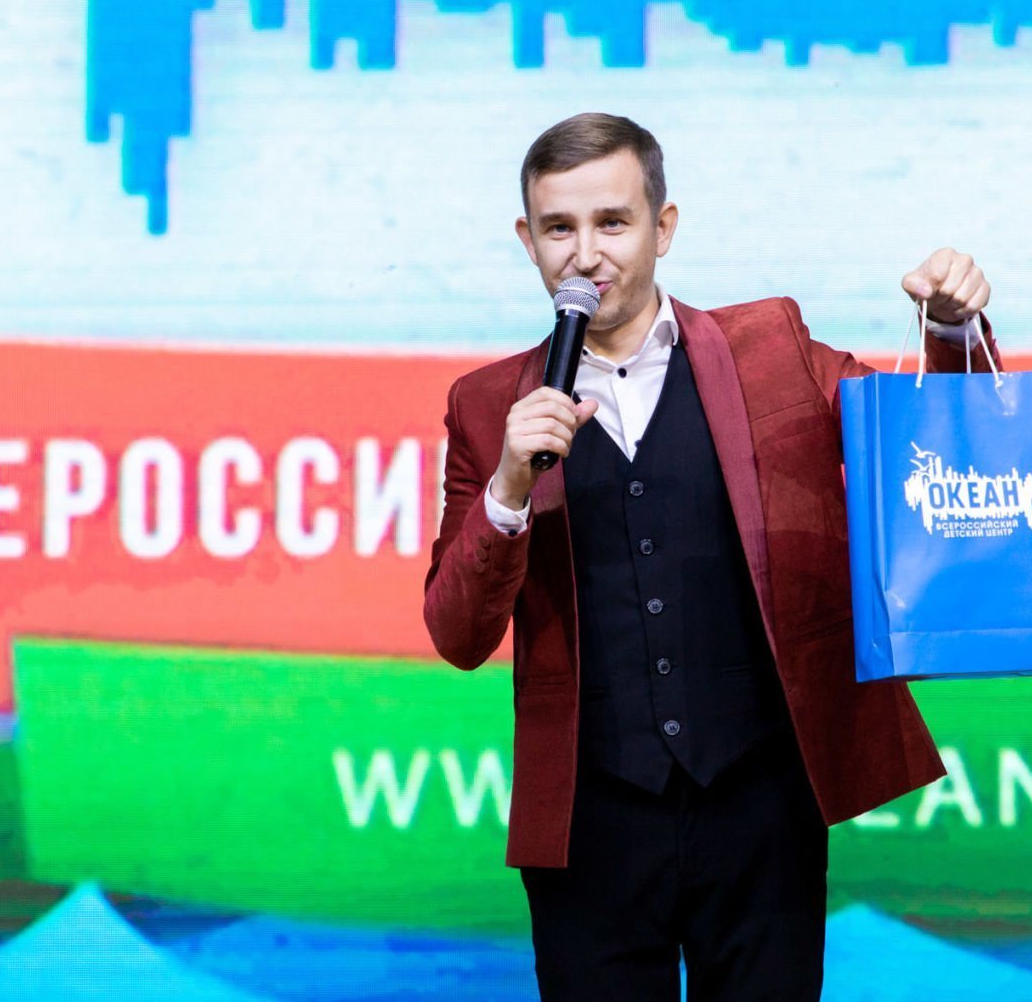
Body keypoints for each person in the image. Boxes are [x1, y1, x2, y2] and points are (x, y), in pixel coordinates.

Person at [422, 113, 999, 1001]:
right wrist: (507, 487)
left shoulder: (769, 347)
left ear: (664, 227)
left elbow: (926, 448)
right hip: (589, 819)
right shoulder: (487, 402)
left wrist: (954, 334)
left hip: (761, 800)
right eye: (559, 228)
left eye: (613, 222)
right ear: (527, 240)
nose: (586, 255)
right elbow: (458, 634)